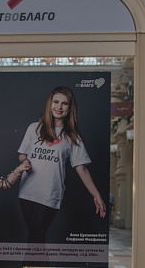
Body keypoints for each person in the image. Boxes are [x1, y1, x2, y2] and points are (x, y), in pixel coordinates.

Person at [18, 86, 106, 244]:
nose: (59, 107)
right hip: (27, 191)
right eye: (56, 102)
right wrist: (25, 161)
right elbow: (22, 154)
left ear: (70, 108)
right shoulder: (33, 128)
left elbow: (81, 168)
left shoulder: (72, 137)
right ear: (49, 104)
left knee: (34, 238)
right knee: (37, 239)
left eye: (64, 103)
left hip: (50, 193)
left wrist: (96, 195)